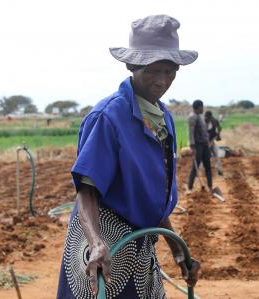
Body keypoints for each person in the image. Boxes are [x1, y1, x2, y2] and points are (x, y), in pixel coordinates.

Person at [57, 15, 200, 299]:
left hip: (140, 244)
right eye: (153, 71)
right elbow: (86, 192)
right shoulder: (108, 117)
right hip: (105, 243)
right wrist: (96, 243)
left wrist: (177, 250)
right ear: (132, 66)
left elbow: (150, 198)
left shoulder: (163, 118)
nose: (162, 81)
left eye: (170, 72)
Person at [187, 100, 213, 193]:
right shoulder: (192, 117)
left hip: (204, 145)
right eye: (202, 107)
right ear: (198, 107)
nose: (203, 109)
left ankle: (210, 186)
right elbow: (191, 132)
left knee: (208, 166)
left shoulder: (199, 116)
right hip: (198, 146)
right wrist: (192, 146)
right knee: (195, 166)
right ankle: (189, 188)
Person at [204, 111, 223, 175]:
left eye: (206, 116)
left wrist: (217, 135)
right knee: (209, 156)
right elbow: (219, 128)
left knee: (215, 155)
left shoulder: (213, 121)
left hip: (211, 140)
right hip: (206, 142)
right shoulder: (205, 122)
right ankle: (206, 171)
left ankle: (219, 170)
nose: (205, 118)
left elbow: (219, 128)